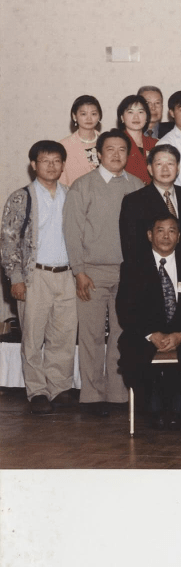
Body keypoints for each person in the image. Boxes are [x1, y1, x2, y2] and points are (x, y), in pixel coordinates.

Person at [63, 130, 144, 416]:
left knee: (122, 336)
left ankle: (117, 394)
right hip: (92, 273)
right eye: (110, 149)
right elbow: (72, 232)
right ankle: (92, 396)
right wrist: (79, 271)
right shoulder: (83, 186)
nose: (116, 154)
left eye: (122, 149)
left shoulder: (137, 185)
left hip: (128, 273)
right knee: (92, 336)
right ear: (98, 153)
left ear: (128, 154)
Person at [1, 141, 77, 414]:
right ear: (34, 165)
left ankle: (59, 387)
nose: (51, 166)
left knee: (64, 335)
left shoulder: (71, 195)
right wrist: (15, 278)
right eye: (45, 161)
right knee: (33, 337)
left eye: (56, 161)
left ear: (63, 165)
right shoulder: (21, 197)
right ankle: (37, 391)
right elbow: (9, 240)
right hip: (35, 276)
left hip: (67, 275)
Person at [115, 214, 181, 430]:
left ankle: (180, 406)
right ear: (150, 235)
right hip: (145, 332)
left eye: (172, 231)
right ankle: (151, 406)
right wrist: (150, 334)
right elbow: (125, 309)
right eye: (160, 230)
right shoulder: (133, 265)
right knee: (131, 352)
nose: (166, 236)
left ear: (179, 236)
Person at [118, 143, 181, 265]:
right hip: (150, 269)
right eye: (159, 164)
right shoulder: (134, 201)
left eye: (170, 164)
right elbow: (131, 247)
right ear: (150, 169)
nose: (165, 169)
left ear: (178, 168)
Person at [59, 95, 103, 187]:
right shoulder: (64, 146)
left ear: (99, 116)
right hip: (74, 194)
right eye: (83, 114)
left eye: (93, 114)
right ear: (74, 116)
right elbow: (61, 183)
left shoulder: (107, 142)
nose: (89, 118)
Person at [116, 94, 159, 185]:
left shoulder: (155, 144)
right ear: (122, 117)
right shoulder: (116, 143)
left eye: (140, 112)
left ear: (147, 117)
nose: (136, 117)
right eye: (130, 112)